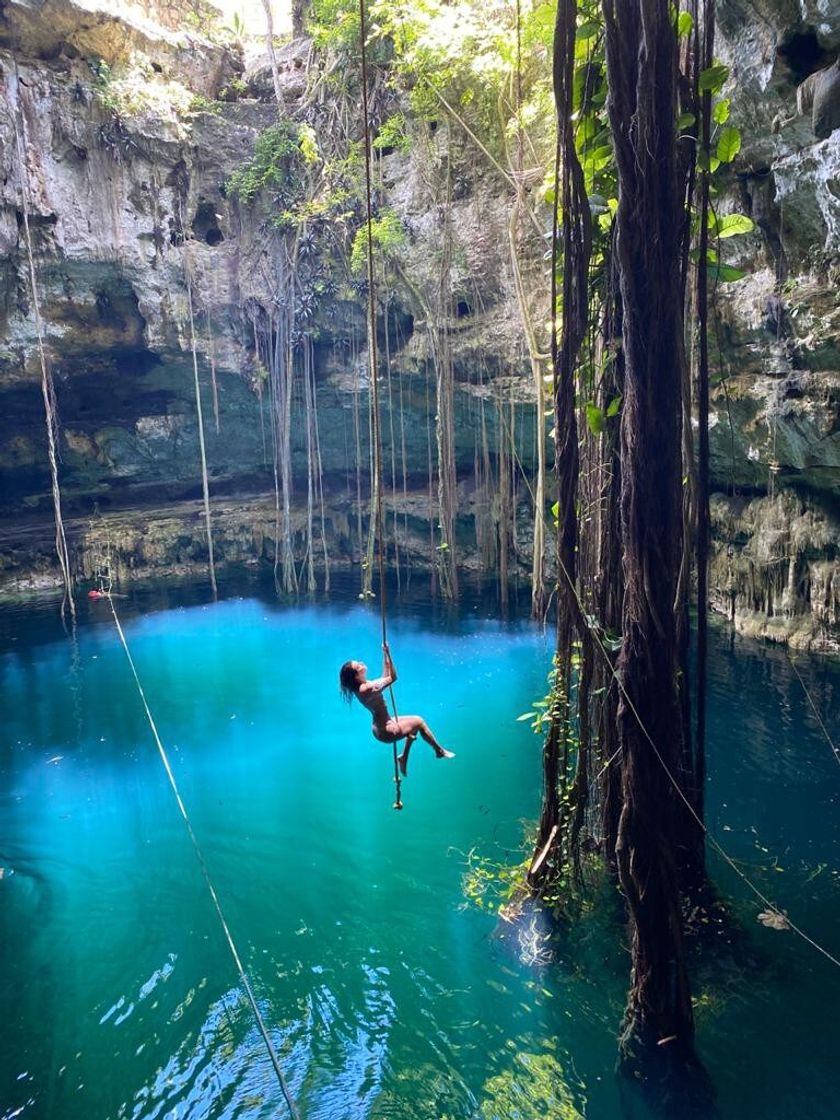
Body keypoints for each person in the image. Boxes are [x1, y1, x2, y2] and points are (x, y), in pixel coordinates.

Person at [339, 642, 455, 777]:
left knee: (414, 724)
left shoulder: (362, 686)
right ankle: (439, 751)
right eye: (358, 665)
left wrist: (384, 654)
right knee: (419, 721)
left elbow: (384, 676)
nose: (361, 663)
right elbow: (393, 677)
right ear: (356, 675)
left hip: (382, 725)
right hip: (386, 731)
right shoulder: (367, 688)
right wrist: (389, 654)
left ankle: (404, 757)